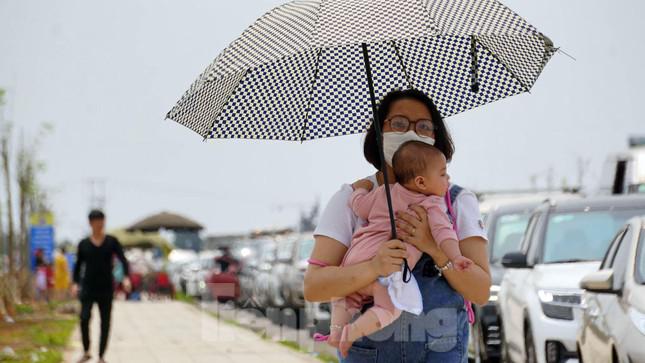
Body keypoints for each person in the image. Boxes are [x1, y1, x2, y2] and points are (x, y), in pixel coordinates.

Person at [304, 89, 491, 362]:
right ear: (379, 133)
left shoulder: (457, 201)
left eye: (424, 126)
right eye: (399, 124)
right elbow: (314, 287)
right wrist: (373, 268)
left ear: (436, 138)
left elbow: (481, 291)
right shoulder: (353, 197)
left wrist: (434, 248)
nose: (412, 132)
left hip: (441, 351)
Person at [329, 141, 474, 356]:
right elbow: (445, 235)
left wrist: (361, 188)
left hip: (355, 260)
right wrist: (456, 256)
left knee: (345, 297)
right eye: (443, 174)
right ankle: (353, 331)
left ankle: (335, 330)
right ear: (421, 182)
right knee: (389, 308)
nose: (448, 179)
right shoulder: (431, 206)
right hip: (384, 271)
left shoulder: (384, 193)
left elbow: (359, 207)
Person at [72, 210, 130, 363]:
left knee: (105, 322)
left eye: (101, 220)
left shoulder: (112, 242)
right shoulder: (83, 244)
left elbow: (123, 260)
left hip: (105, 288)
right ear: (90, 223)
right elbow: (78, 266)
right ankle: (86, 351)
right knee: (84, 318)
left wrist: (125, 277)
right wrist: (75, 283)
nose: (99, 224)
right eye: (96, 221)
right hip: (88, 287)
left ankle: (101, 355)